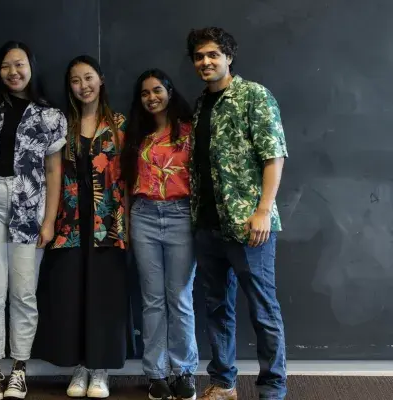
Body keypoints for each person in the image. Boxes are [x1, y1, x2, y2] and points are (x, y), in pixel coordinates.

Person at [186, 27, 289, 400]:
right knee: (216, 309)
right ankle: (224, 381)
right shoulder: (200, 106)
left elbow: (274, 155)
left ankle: (273, 389)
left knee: (263, 309)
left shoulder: (253, 96)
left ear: (229, 57)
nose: (205, 62)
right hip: (208, 226)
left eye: (213, 54)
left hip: (250, 227)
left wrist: (263, 211)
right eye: (199, 56)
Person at [0, 40, 67, 400]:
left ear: (31, 67)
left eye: (20, 65)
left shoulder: (50, 115)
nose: (14, 72)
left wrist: (50, 221)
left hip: (30, 207)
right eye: (7, 66)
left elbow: (54, 170)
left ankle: (19, 370)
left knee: (24, 292)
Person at [35, 55, 128, 399]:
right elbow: (53, 175)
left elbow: (129, 179)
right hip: (70, 222)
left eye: (88, 78)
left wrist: (128, 223)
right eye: (75, 80)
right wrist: (48, 222)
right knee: (71, 294)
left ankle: (100, 370)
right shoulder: (64, 125)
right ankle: (78, 367)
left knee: (104, 296)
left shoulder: (120, 123)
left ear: (101, 80)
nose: (83, 86)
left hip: (109, 224)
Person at [120, 69, 198, 400]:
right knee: (152, 301)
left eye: (157, 90)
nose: (152, 98)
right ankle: (155, 374)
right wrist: (125, 222)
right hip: (144, 216)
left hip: (181, 216)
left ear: (169, 91)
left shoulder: (188, 131)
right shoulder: (135, 135)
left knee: (179, 298)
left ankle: (183, 371)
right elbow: (125, 181)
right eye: (144, 93)